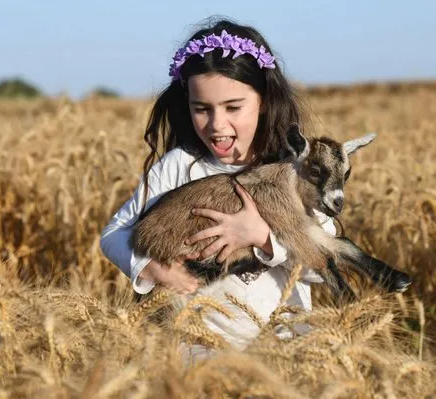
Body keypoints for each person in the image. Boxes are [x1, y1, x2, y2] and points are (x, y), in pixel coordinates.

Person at [100, 17, 336, 361]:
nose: (217, 124)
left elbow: (322, 265)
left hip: (280, 348)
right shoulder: (178, 167)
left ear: (265, 101)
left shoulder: (297, 173)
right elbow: (113, 234)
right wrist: (150, 267)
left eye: (233, 107)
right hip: (194, 349)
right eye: (202, 109)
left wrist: (262, 237)